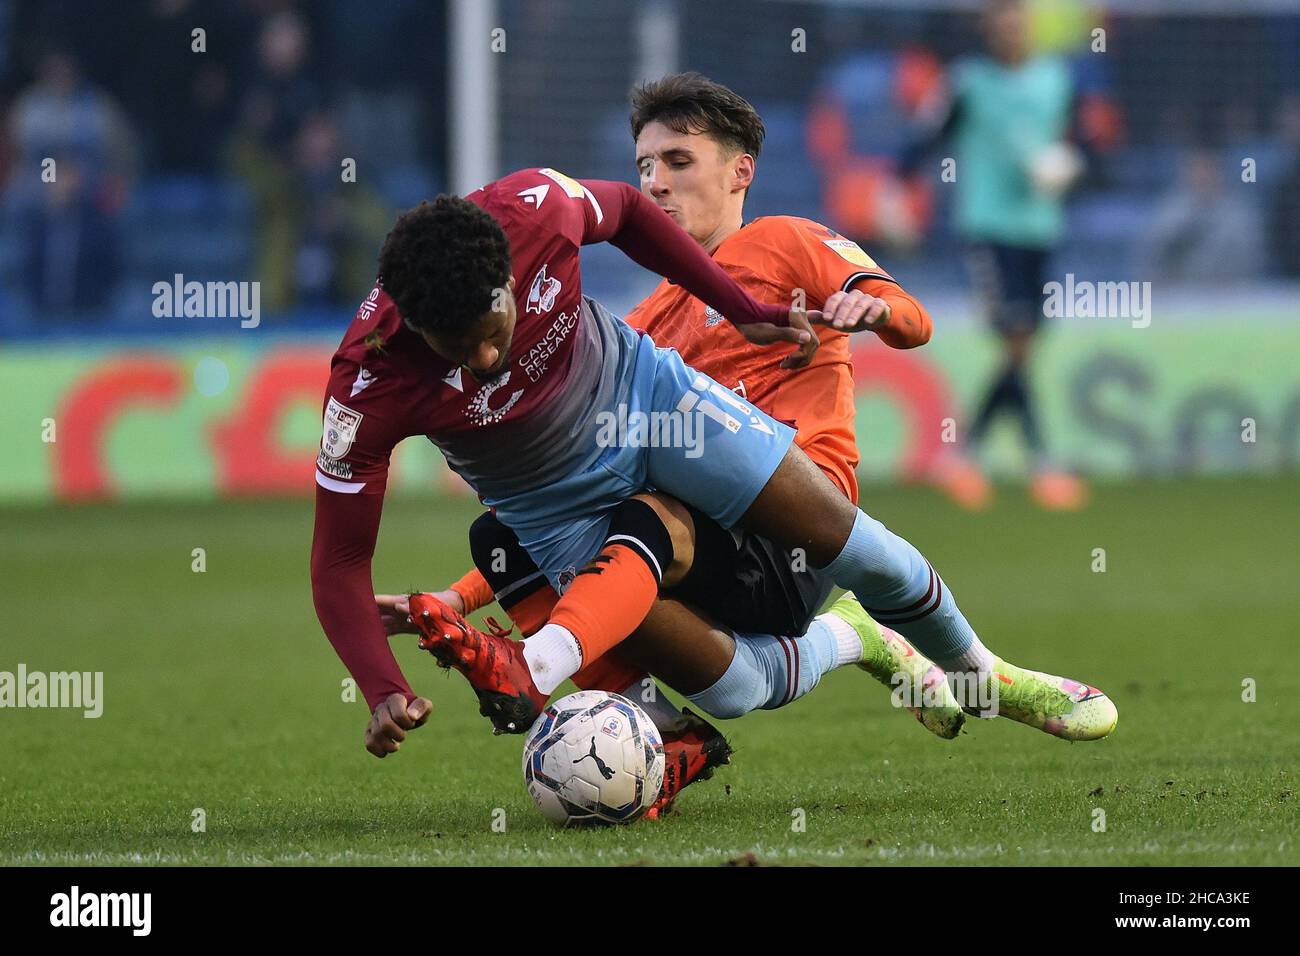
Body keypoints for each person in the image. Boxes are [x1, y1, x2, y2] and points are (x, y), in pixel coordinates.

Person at [379, 73, 963, 811]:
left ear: (739, 170)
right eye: (644, 166)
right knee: (500, 534)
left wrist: (874, 310)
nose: (654, 182)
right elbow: (564, 505)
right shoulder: (644, 329)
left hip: (800, 534)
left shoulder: (787, 241)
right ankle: (681, 719)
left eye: (677, 162)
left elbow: (913, 319)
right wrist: (456, 598)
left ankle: (545, 666)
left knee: (646, 525)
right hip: (703, 542)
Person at [905, 0, 1104, 511]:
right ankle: (1040, 462)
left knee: (1023, 344)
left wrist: (1068, 166)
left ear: (1028, 28)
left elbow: (1092, 149)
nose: (1010, 32)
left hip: (1040, 229)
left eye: (1017, 22)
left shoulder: (1057, 80)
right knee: (1016, 337)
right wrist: (897, 186)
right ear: (988, 29)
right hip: (987, 229)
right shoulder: (967, 82)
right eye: (1000, 23)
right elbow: (926, 139)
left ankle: (963, 457)